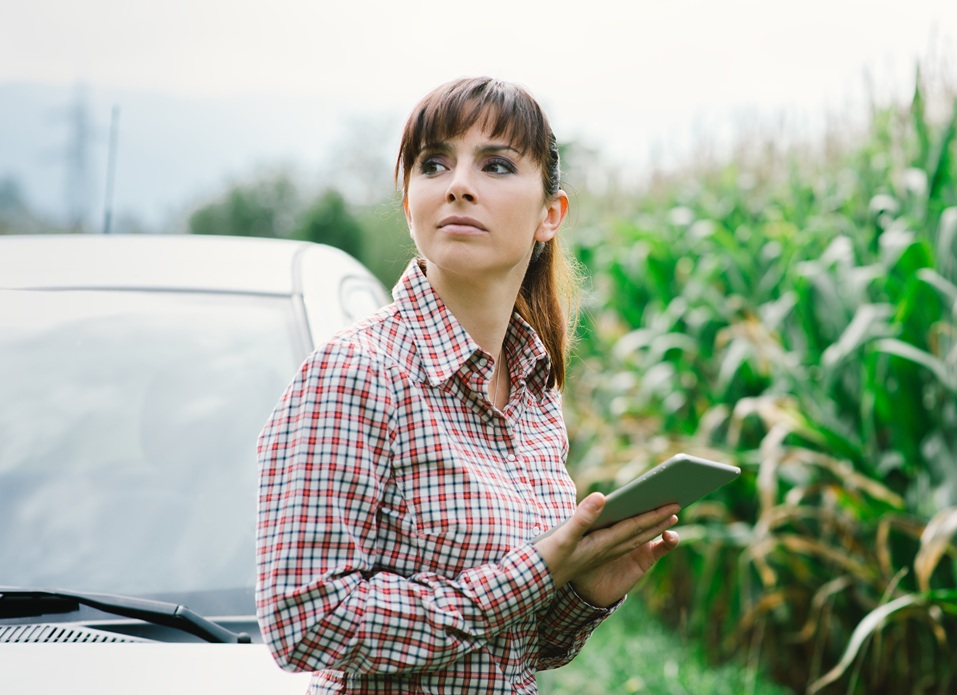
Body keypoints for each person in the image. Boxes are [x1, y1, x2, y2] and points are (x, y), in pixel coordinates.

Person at [255, 76, 681, 694]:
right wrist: (535, 572)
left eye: (497, 165)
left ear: (549, 216)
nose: (458, 183)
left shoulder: (535, 393)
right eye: (434, 163)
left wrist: (586, 591)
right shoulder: (356, 375)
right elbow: (304, 622)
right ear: (409, 204)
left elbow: (513, 649)